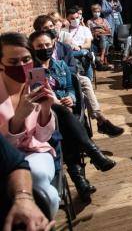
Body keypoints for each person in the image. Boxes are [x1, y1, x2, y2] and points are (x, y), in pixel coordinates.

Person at [29, 31, 117, 202]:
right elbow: (41, 96)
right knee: (61, 114)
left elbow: (70, 87)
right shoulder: (33, 72)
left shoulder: (61, 65)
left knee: (66, 128)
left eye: (47, 45)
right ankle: (93, 154)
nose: (45, 48)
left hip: (67, 112)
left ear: (53, 45)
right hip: (45, 115)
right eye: (39, 46)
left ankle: (81, 182)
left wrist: (72, 98)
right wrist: (60, 104)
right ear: (33, 49)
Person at [33, 15, 124, 137]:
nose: (50, 29)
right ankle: (99, 121)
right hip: (48, 84)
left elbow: (72, 67)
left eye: (51, 26)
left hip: (66, 77)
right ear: (39, 31)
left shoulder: (63, 47)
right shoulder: (36, 51)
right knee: (83, 85)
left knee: (82, 82)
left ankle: (97, 120)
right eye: (46, 28)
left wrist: (61, 72)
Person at [0, 32, 59, 219]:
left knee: (39, 175)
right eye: (13, 62)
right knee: (46, 192)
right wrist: (19, 117)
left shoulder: (34, 84)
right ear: (1, 64)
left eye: (26, 60)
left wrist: (46, 110)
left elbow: (43, 137)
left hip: (35, 151)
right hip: (5, 159)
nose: (21, 66)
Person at [0, 135, 56, 230]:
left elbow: (16, 164)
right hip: (22, 148)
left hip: (36, 149)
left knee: (41, 180)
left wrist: (23, 197)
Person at [87, 4, 113, 70]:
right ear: (92, 12)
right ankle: (101, 58)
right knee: (102, 39)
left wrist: (103, 30)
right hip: (94, 39)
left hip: (105, 38)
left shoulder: (104, 20)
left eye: (98, 11)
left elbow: (110, 32)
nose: (97, 13)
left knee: (103, 37)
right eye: (95, 12)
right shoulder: (89, 21)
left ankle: (102, 56)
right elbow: (87, 33)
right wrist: (95, 33)